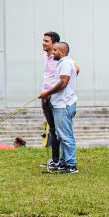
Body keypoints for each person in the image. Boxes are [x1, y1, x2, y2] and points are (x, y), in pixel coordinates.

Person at [40, 41, 78, 174]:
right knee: (61, 135)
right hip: (60, 104)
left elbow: (63, 82)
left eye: (55, 50)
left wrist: (48, 93)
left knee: (66, 136)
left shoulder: (66, 64)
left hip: (64, 105)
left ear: (62, 52)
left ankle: (71, 164)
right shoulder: (67, 63)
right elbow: (76, 71)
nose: (53, 52)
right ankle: (63, 161)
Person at [40, 32, 63, 168]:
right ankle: (54, 160)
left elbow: (75, 70)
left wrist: (52, 93)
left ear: (54, 44)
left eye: (46, 41)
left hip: (54, 98)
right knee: (52, 129)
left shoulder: (60, 58)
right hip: (45, 97)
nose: (43, 43)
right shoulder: (45, 56)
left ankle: (61, 160)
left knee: (58, 130)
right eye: (43, 40)